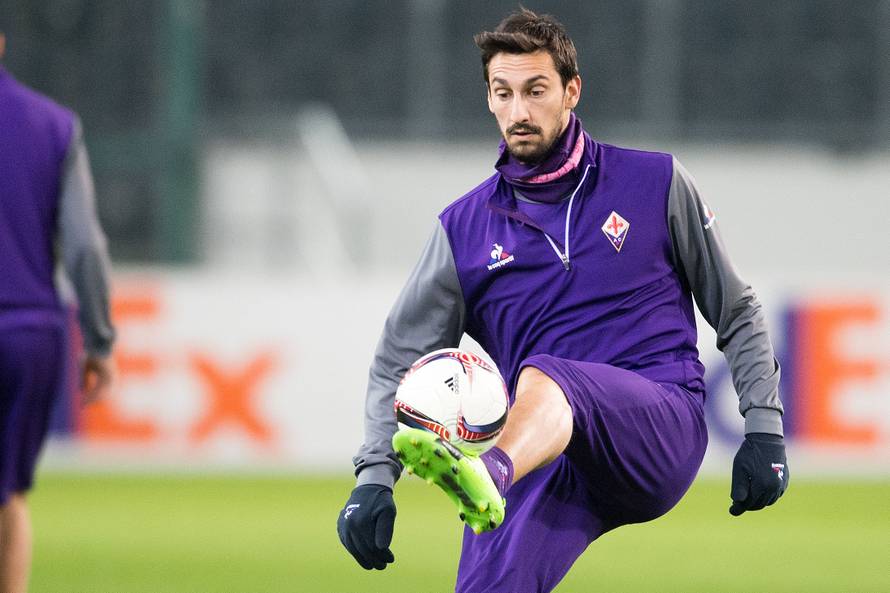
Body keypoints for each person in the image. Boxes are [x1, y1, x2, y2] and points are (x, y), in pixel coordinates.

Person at [337, 9, 788, 592]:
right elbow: (400, 355)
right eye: (504, 93)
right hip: (538, 455)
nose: (519, 111)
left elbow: (736, 308)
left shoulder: (655, 182)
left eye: (536, 90)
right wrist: (374, 479)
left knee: (548, 376)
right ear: (489, 99)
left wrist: (764, 428)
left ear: (572, 91)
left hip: (655, 424)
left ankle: (487, 474)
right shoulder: (463, 230)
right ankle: (492, 477)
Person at [0, 32, 116, 593]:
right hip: (29, 330)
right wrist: (98, 341)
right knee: (8, 496)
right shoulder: (54, 125)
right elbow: (83, 248)